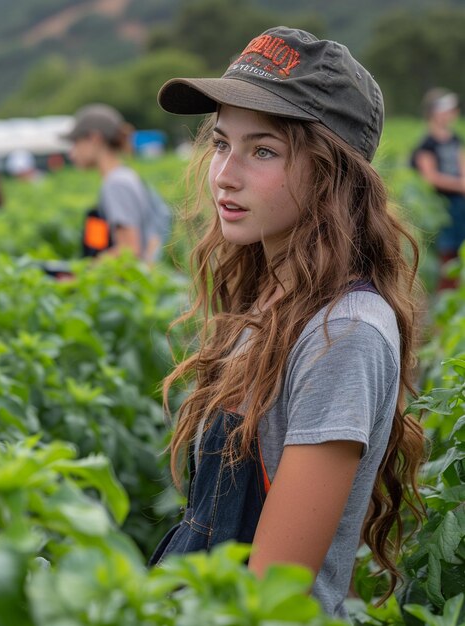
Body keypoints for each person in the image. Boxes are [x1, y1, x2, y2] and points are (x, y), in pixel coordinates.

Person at [149, 26, 426, 619]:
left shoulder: (344, 333)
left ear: (332, 175)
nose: (225, 173)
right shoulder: (270, 297)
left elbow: (270, 598)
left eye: (263, 151)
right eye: (222, 143)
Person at [64, 103, 171, 262]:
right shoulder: (125, 176)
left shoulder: (116, 184)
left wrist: (82, 273)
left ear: (94, 138)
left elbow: (128, 251)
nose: (71, 153)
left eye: (75, 142)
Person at [411, 88, 465, 289]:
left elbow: (462, 166)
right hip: (441, 206)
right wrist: (460, 185)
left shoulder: (455, 139)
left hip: (460, 203)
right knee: (447, 256)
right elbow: (430, 177)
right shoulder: (427, 143)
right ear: (434, 112)